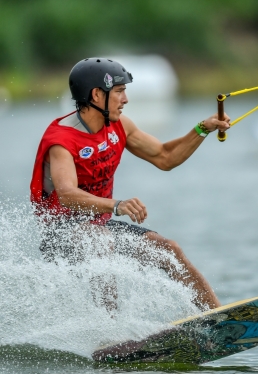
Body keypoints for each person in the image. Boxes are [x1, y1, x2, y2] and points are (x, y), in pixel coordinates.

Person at [30, 57, 230, 312]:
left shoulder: (119, 125)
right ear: (96, 95)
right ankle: (111, 332)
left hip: (97, 225)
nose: (126, 100)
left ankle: (218, 318)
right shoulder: (61, 140)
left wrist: (202, 129)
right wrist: (117, 205)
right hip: (60, 234)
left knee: (168, 249)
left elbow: (165, 157)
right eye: (120, 92)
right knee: (99, 240)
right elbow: (67, 194)